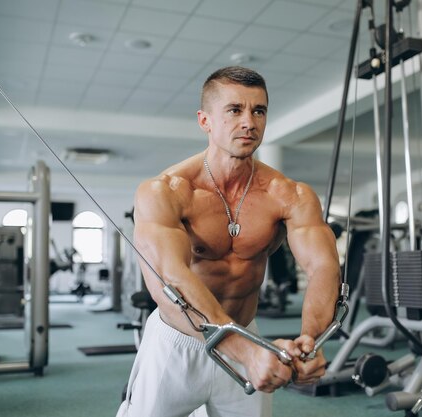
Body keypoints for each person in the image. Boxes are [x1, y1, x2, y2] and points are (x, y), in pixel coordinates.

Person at [116, 66, 340, 417]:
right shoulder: (166, 191)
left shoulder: (290, 194)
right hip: (178, 343)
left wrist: (310, 342)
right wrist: (243, 350)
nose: (249, 122)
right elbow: (171, 279)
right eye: (235, 110)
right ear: (205, 121)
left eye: (259, 110)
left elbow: (324, 266)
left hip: (247, 334)